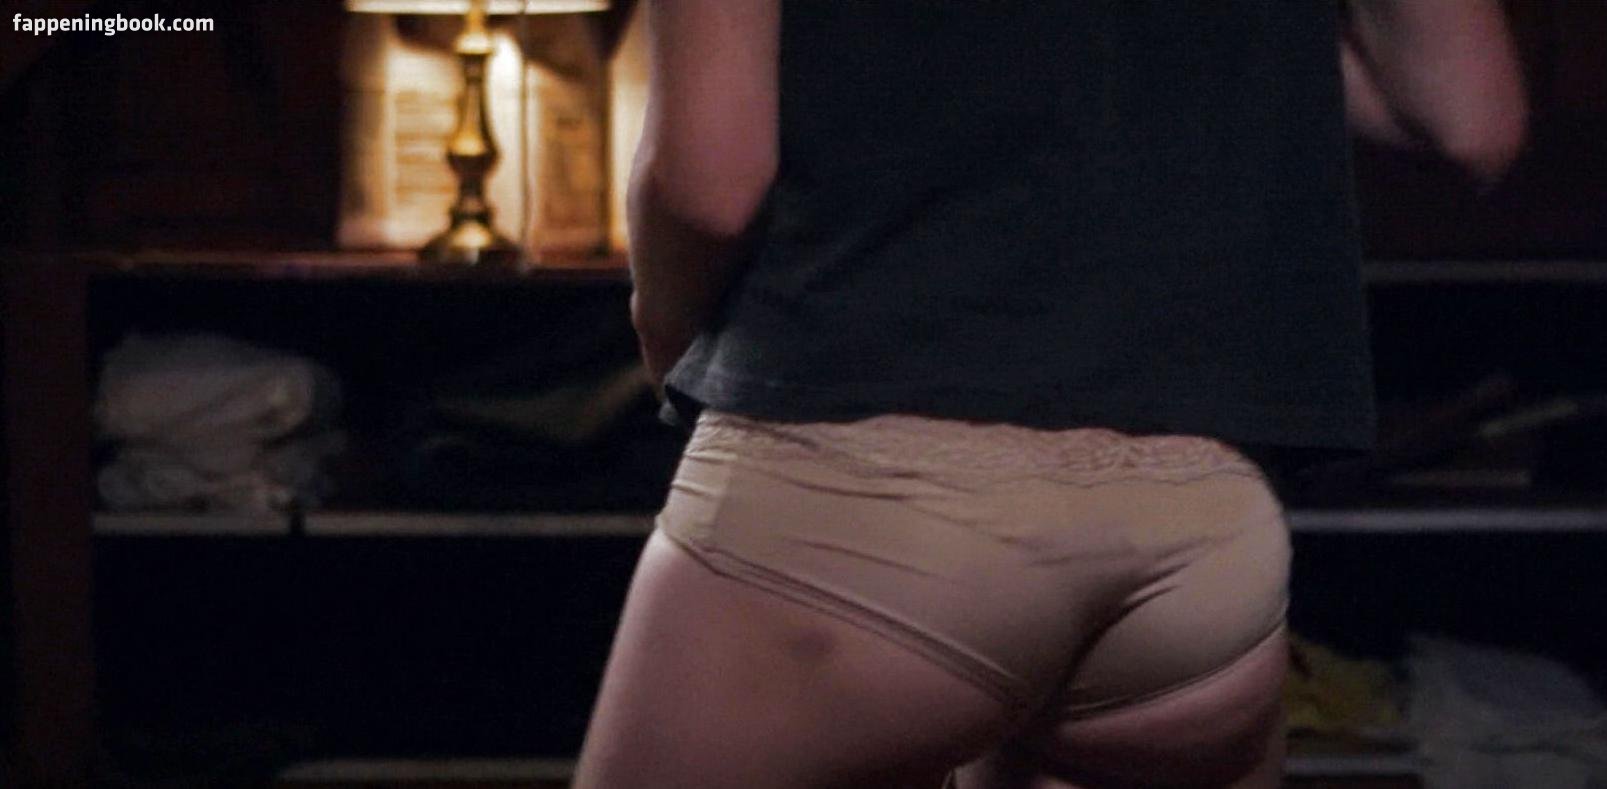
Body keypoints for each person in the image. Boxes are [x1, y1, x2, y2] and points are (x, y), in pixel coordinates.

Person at [577, 1, 1524, 787]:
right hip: (1201, 539)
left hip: (859, 499)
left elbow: (709, 184)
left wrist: (664, 334)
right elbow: (1471, 118)